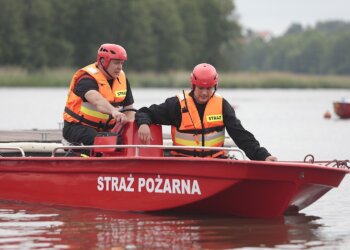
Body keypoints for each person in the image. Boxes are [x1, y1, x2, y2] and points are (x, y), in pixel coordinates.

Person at [135, 63, 277, 161]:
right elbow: (144, 112)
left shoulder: (222, 105)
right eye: (200, 88)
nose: (204, 93)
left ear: (215, 87)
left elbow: (241, 135)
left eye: (208, 88)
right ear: (193, 85)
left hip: (215, 164)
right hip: (183, 165)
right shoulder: (176, 104)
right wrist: (144, 124)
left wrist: (263, 156)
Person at [63, 43, 135, 145]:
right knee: (100, 140)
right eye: (116, 63)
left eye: (122, 63)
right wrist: (114, 111)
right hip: (77, 127)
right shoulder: (86, 78)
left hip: (105, 130)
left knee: (123, 141)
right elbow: (97, 101)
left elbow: (129, 110)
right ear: (102, 61)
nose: (120, 67)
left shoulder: (122, 79)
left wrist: (130, 128)